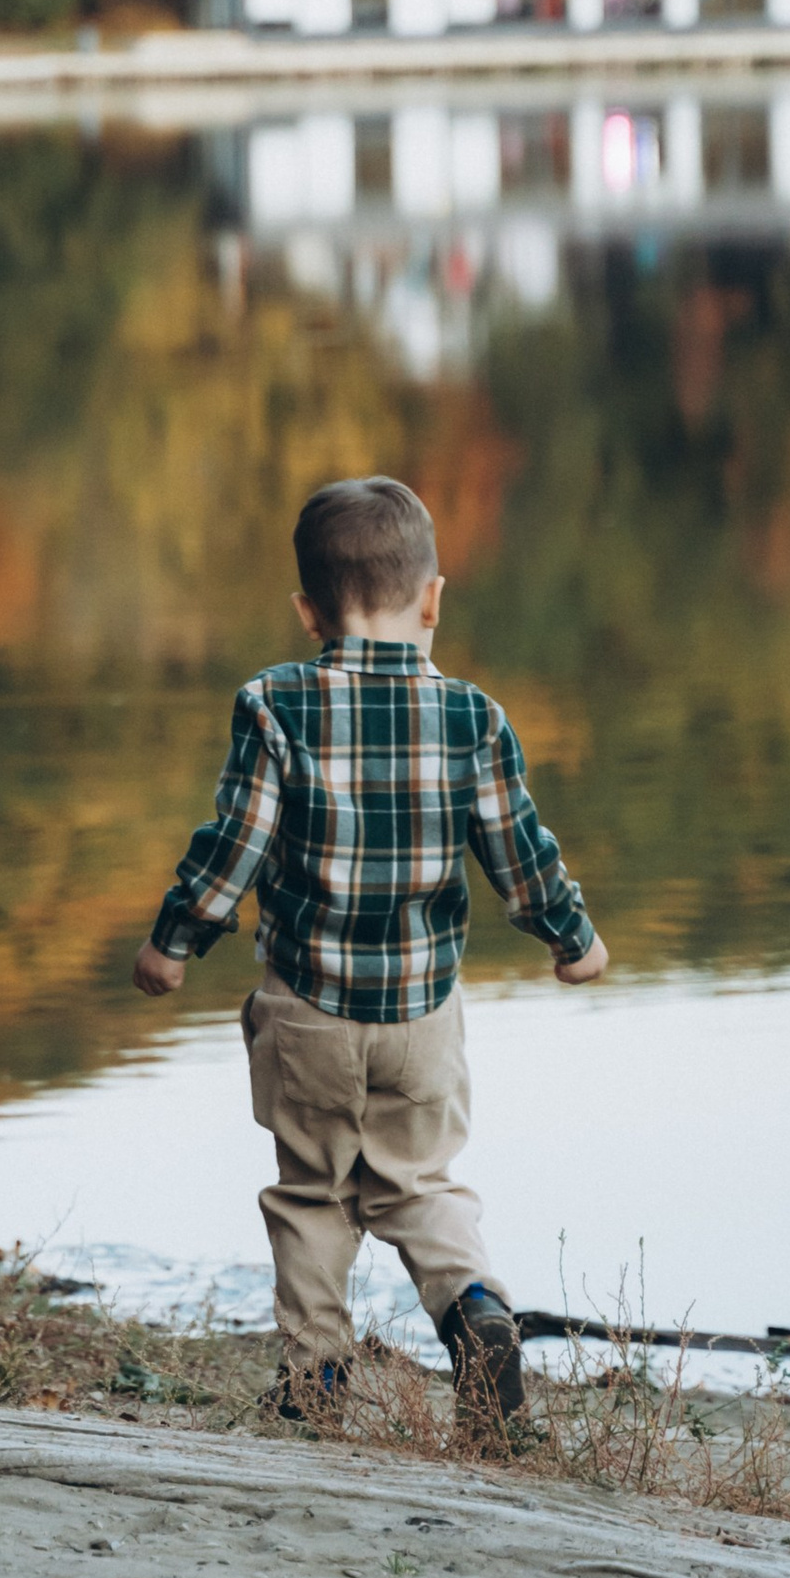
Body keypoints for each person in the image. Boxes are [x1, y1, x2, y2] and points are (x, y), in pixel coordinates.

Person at [132, 474, 608, 1425]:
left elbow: (237, 843)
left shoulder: (273, 705)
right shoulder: (474, 717)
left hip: (307, 1009)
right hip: (423, 1016)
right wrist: (573, 939)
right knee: (423, 1184)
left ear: (307, 611)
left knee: (314, 1194)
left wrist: (173, 942)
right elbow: (520, 853)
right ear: (433, 598)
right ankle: (476, 1313)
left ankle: (315, 1377)